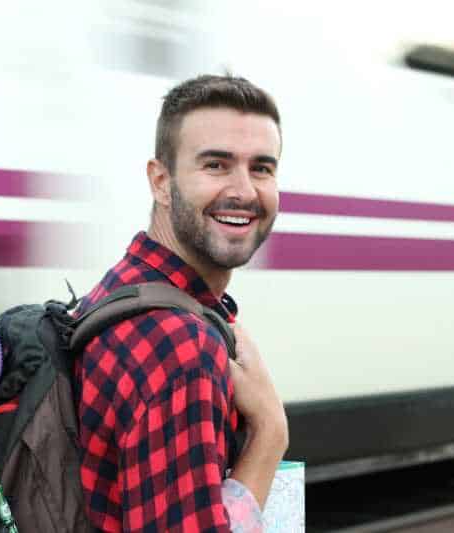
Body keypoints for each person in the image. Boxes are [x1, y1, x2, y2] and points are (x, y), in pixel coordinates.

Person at [74, 74, 289, 532]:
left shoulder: (122, 287)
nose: (245, 191)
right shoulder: (181, 348)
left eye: (262, 168)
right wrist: (270, 434)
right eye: (216, 165)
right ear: (160, 181)